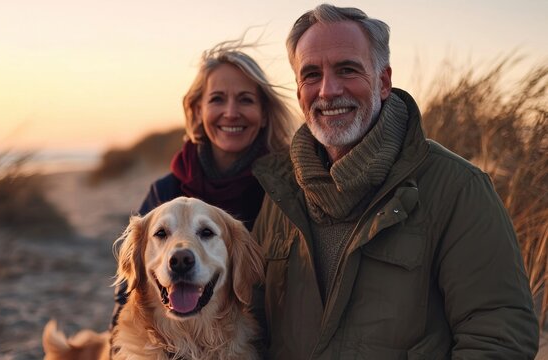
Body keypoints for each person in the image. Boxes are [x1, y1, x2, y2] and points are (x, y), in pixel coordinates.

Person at [251, 4, 539, 359]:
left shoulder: (458, 189)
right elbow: (250, 324)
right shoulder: (280, 194)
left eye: (347, 69)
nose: (327, 90)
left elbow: (498, 334)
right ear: (299, 93)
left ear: (383, 82)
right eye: (311, 75)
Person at [111, 40, 297, 328]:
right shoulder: (165, 191)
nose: (231, 112)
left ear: (263, 115)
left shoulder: (285, 191)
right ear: (197, 111)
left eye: (246, 99)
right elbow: (129, 290)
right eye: (217, 99)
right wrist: (116, 341)